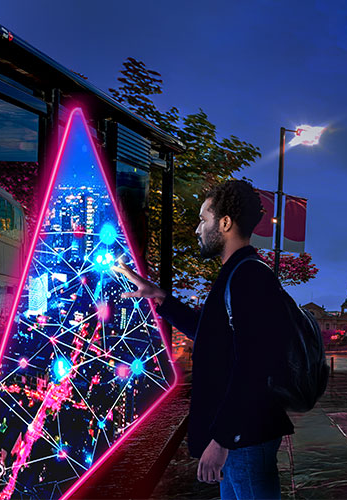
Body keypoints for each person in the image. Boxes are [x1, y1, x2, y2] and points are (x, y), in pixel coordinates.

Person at [114, 179, 292, 499]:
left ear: (224, 223)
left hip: (244, 439)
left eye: (203, 219)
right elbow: (213, 338)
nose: (198, 229)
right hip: (240, 436)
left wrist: (223, 440)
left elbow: (253, 365)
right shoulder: (236, 273)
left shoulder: (248, 276)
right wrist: (160, 298)